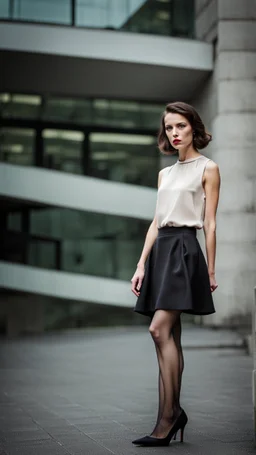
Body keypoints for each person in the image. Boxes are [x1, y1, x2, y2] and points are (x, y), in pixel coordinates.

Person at [130, 101, 221, 447]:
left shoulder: (208, 168)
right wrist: (141, 264)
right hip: (161, 251)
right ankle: (167, 416)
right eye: (169, 128)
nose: (175, 133)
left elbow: (210, 223)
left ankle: (169, 417)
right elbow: (156, 220)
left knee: (159, 329)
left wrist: (210, 269)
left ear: (193, 127)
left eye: (180, 126)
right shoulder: (165, 174)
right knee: (171, 336)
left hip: (185, 250)